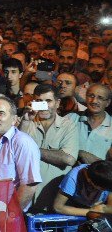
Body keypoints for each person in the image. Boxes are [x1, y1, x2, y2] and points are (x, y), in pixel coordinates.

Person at [18, 83, 78, 212]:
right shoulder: (24, 122)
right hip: (24, 201)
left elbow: (68, 159)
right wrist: (25, 122)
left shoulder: (68, 126)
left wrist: (32, 150)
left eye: (48, 101)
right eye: (39, 101)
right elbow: (16, 153)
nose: (44, 106)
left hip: (51, 202)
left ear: (57, 103)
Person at [0, 96, 42, 211]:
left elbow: (29, 185)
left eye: (0, 113)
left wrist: (11, 215)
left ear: (14, 120)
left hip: (6, 219)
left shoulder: (22, 142)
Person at [67, 83, 112, 163]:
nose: (94, 101)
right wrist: (80, 153)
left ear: (108, 103)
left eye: (100, 98)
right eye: (91, 96)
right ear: (85, 97)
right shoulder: (71, 118)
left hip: (98, 174)